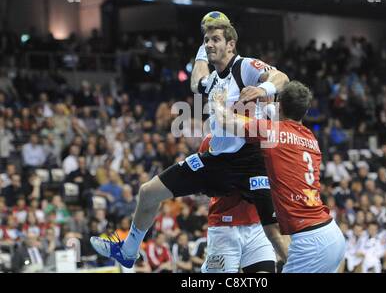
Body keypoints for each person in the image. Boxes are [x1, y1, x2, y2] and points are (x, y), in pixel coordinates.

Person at [90, 16, 289, 268]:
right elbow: (197, 82)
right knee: (147, 192)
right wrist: (202, 50)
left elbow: (282, 77)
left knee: (276, 236)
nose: (210, 44)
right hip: (216, 163)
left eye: (216, 40)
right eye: (206, 40)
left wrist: (264, 90)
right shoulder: (215, 79)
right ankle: (129, 250)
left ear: (231, 45)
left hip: (250, 164)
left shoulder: (244, 67)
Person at [213, 80, 346, 272]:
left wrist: (218, 101)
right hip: (332, 234)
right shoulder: (311, 138)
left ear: (280, 105)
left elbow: (225, 121)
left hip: (309, 241)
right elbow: (284, 118)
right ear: (306, 112)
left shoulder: (271, 132)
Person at [199, 135, 277, 273]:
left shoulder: (265, 138)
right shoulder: (212, 139)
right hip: (223, 228)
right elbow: (203, 180)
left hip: (257, 227)